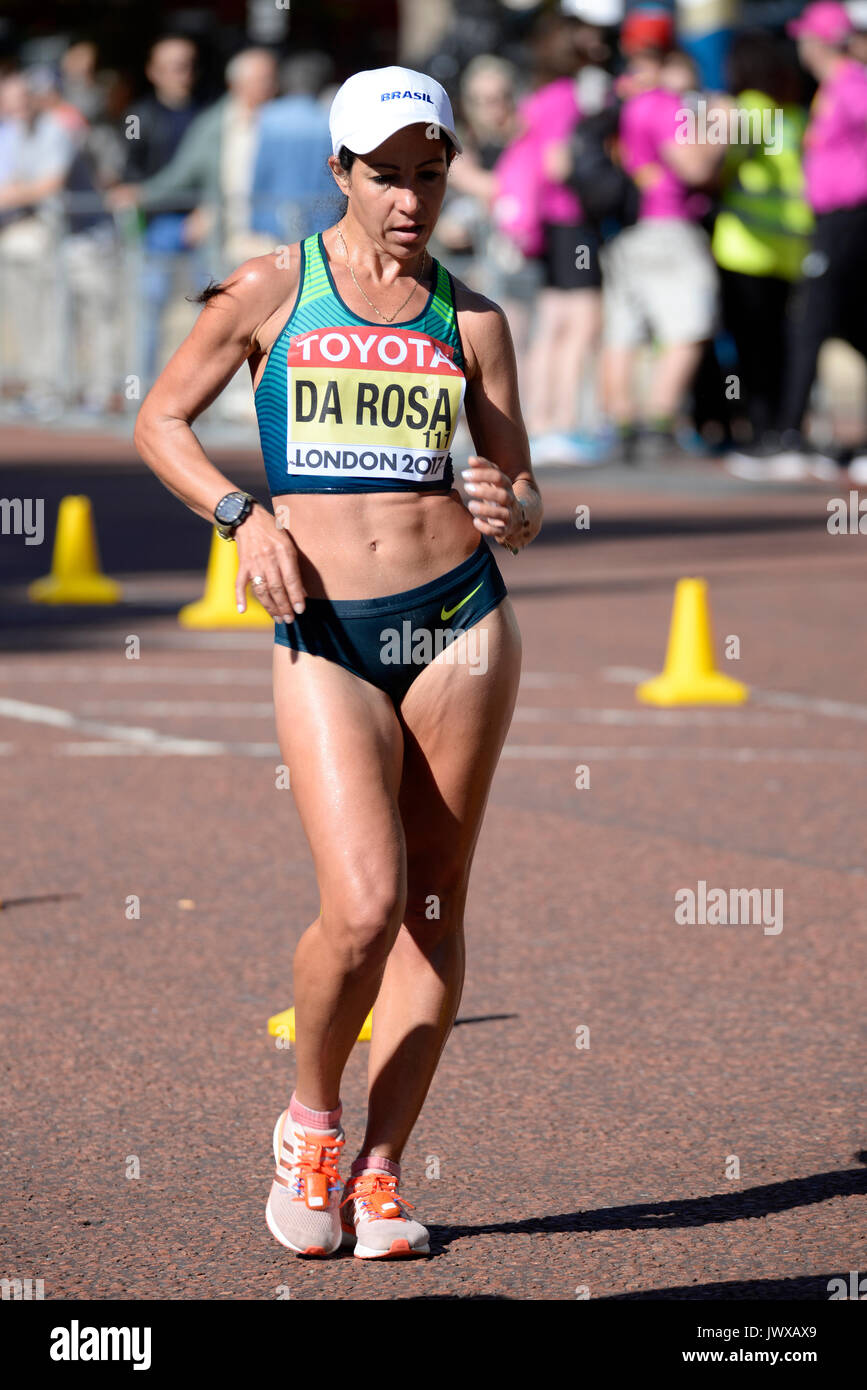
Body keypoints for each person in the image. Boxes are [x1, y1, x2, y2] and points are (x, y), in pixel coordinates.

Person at [133, 65, 541, 1260]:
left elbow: (520, 490)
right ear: (340, 173)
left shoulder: (474, 319)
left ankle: (382, 1168)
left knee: (429, 908)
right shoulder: (271, 288)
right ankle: (310, 1120)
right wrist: (238, 516)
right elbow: (160, 420)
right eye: (385, 175)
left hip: (461, 618)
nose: (410, 198)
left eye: (430, 173)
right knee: (361, 906)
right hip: (327, 628)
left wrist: (510, 506)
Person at [599, 6, 726, 462]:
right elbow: (693, 165)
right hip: (668, 225)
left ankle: (621, 423)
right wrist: (720, 133)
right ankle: (658, 423)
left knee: (624, 329)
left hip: (624, 231)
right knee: (689, 324)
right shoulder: (662, 104)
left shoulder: (619, 100)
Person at [767, 2, 867, 481]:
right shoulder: (837, 86)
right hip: (837, 220)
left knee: (810, 322)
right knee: (847, 324)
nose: (801, 46)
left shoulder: (852, 83)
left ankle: (790, 436)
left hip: (849, 219)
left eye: (808, 37)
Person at [713, 32, 814, 476]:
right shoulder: (792, 115)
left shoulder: (747, 109)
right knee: (783, 344)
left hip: (745, 246)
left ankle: (762, 433)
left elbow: (720, 165)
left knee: (753, 350)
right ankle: (785, 431)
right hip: (789, 247)